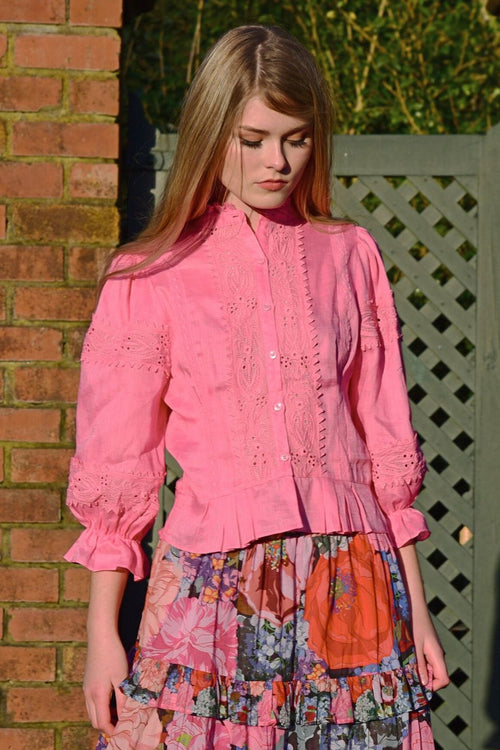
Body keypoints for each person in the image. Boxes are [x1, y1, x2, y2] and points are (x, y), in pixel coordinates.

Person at [65, 24, 449, 750]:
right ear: (212, 133)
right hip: (212, 590)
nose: (277, 160)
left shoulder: (350, 256)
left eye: (296, 138)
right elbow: (120, 467)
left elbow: (384, 443)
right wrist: (100, 636)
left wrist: (418, 615)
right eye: (253, 138)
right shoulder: (148, 275)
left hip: (355, 584)